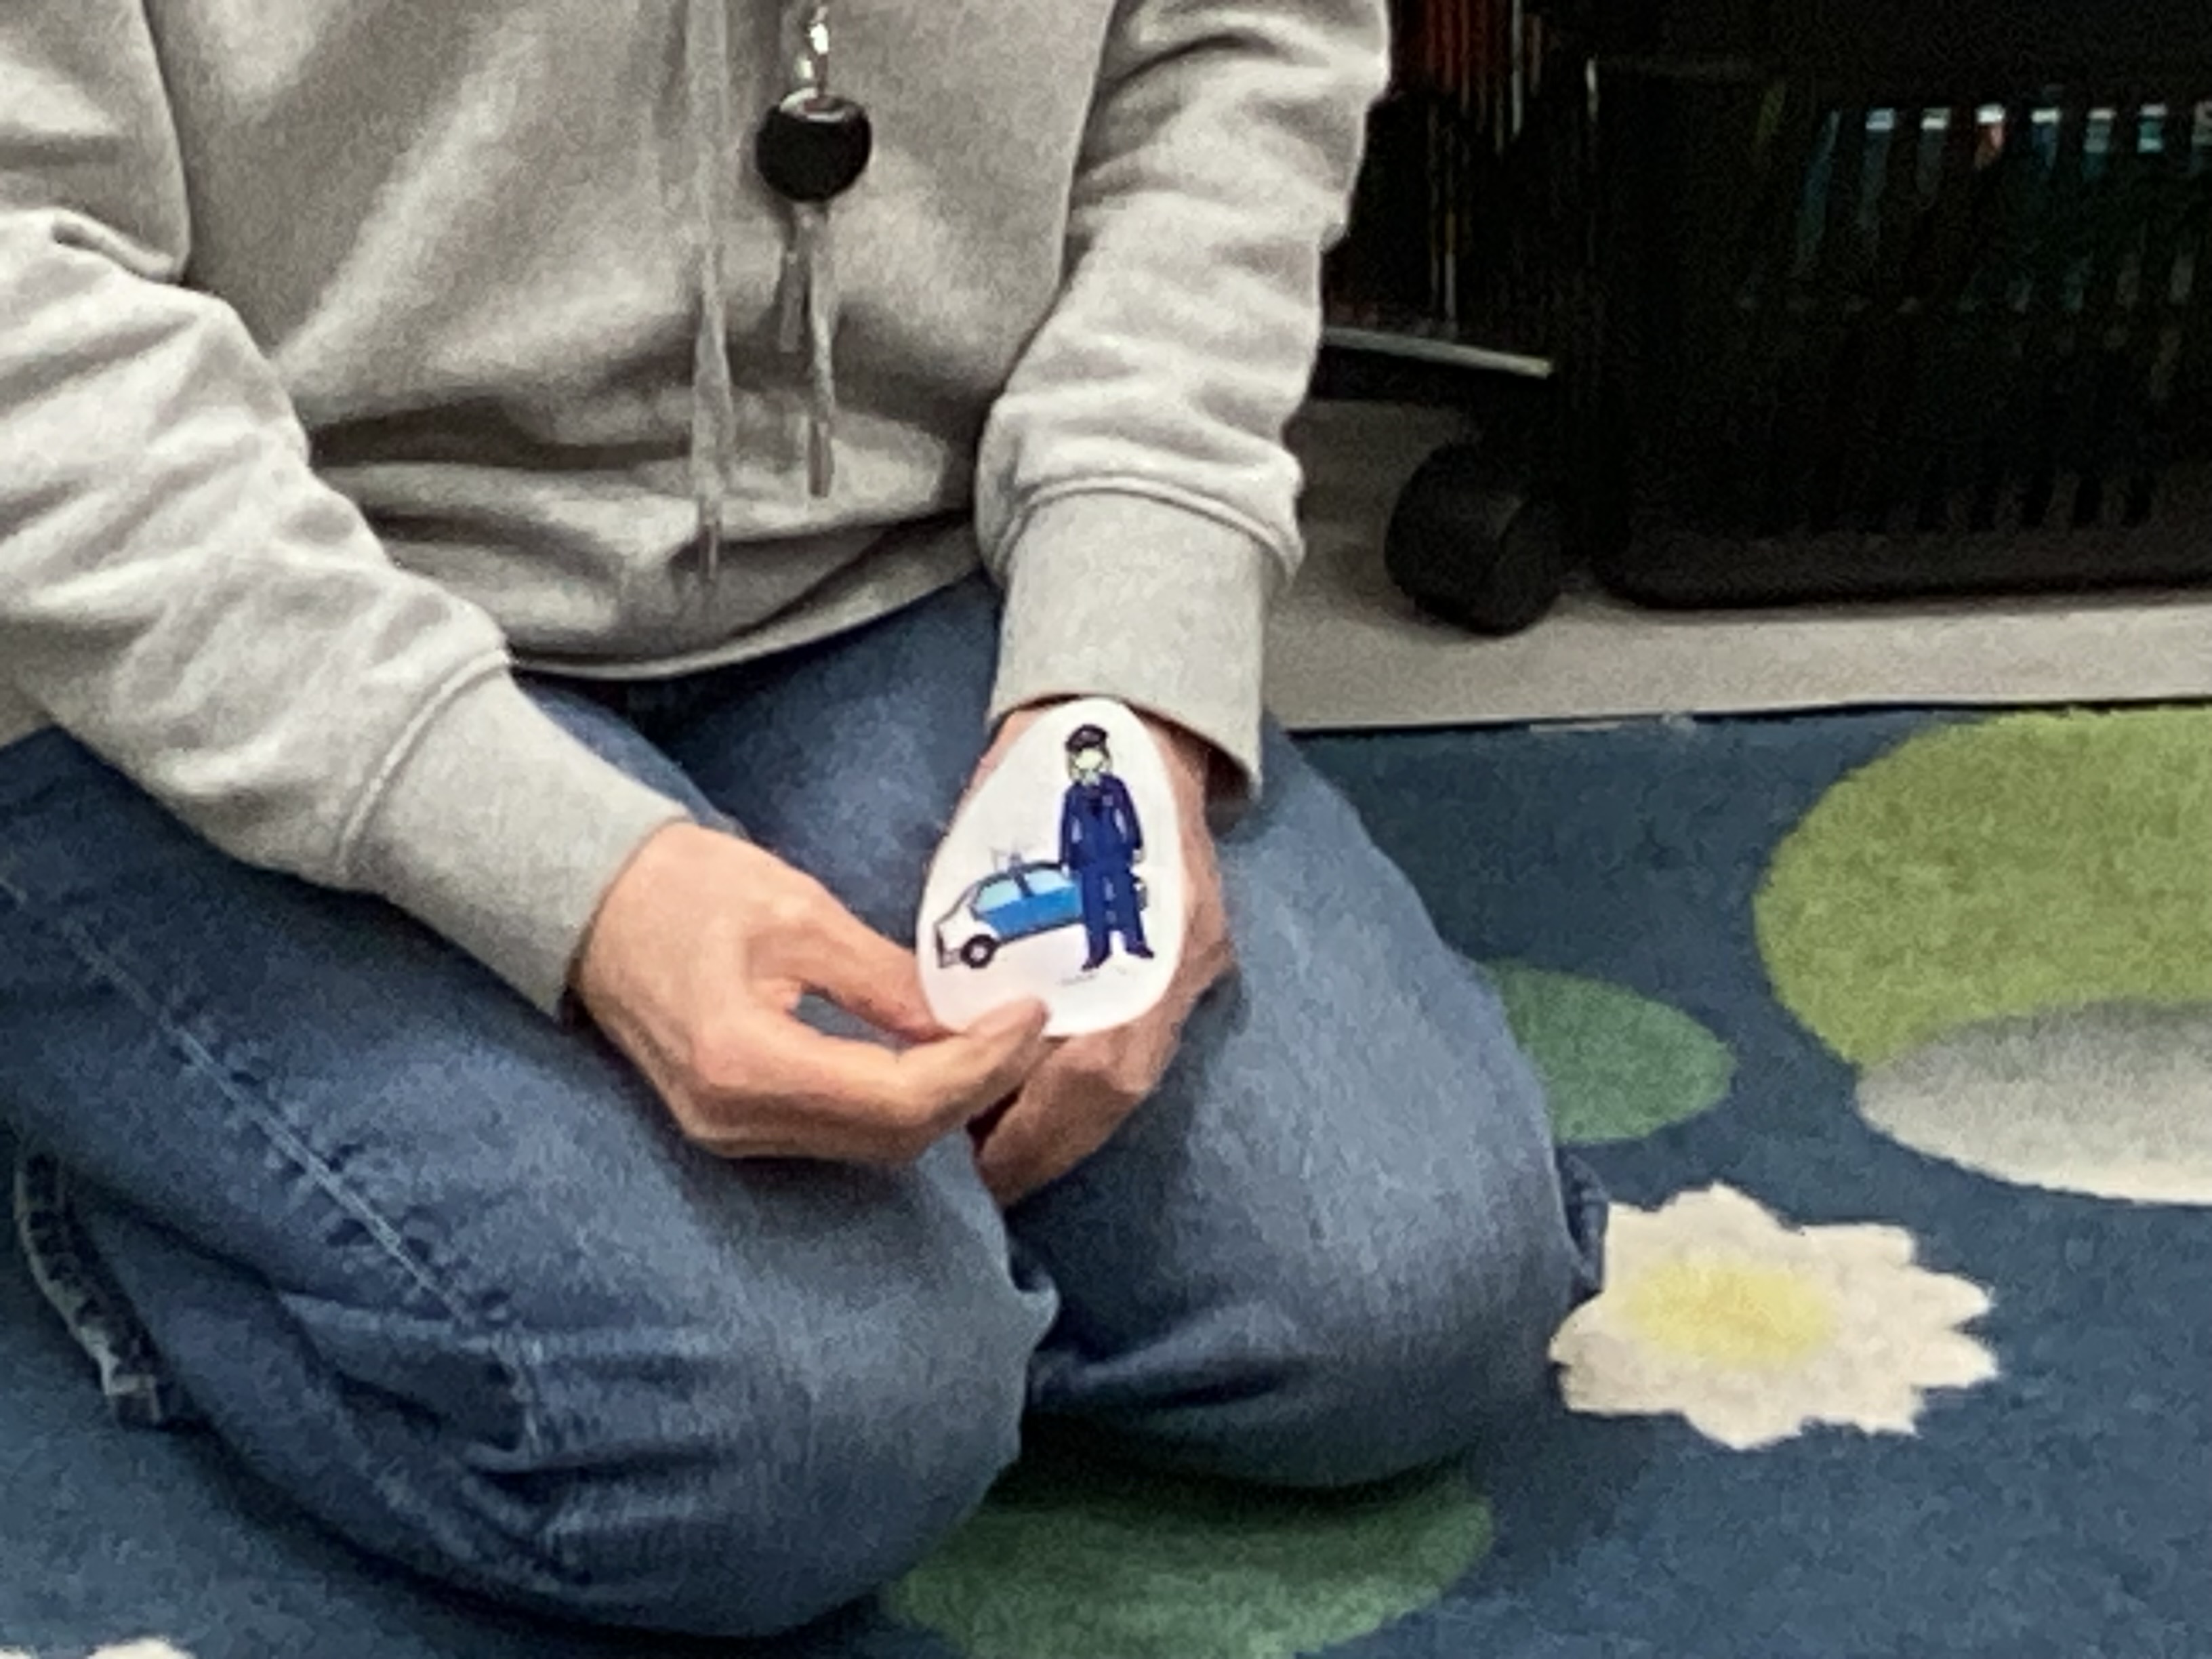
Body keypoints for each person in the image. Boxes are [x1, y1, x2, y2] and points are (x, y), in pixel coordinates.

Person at [0, 0, 1605, 1641]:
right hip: (211, 605)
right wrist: (560, 870)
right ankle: (161, 1137)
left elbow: (1232, 56)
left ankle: (838, 1283)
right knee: (800, 1436)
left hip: (897, 563)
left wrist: (1127, 649)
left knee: (1412, 1300)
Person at [1058, 724, 1154, 970]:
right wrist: (1066, 859)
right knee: (1093, 905)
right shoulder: (1073, 795)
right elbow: (1067, 828)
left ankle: (1135, 942)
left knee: (1125, 898)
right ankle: (1098, 951)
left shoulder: (1115, 786)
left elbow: (1128, 816)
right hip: (1087, 857)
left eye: (1094, 751)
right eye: (1082, 753)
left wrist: (1136, 843)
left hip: (1115, 851)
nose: (1089, 758)